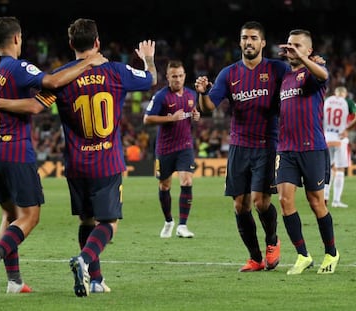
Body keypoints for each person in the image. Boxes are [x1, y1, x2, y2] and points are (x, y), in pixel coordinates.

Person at [0, 18, 157, 297]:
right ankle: (84, 261)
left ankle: (96, 280)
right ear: (97, 43)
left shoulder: (61, 78)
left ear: (72, 44)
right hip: (107, 161)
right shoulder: (117, 72)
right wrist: (148, 60)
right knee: (109, 223)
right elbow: (151, 79)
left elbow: (34, 107)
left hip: (76, 164)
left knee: (86, 221)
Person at [0, 16, 105, 295]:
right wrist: (88, 62)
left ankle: (14, 282)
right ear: (16, 38)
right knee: (30, 216)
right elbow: (50, 81)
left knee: (10, 213)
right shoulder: (18, 67)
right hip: (14, 151)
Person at [194, 21, 286, 271]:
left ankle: (272, 242)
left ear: (262, 43)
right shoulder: (229, 74)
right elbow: (208, 108)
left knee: (260, 201)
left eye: (254, 38)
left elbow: (300, 81)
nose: (249, 42)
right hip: (238, 145)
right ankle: (255, 258)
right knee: (240, 205)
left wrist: (312, 63)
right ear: (240, 42)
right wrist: (202, 93)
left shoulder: (278, 69)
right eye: (245, 38)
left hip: (267, 144)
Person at [276, 29, 340, 274]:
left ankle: (332, 253)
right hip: (286, 149)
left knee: (316, 203)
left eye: (298, 45)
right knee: (284, 200)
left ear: (309, 50)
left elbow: (323, 75)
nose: (291, 49)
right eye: (289, 45)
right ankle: (303, 255)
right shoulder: (284, 77)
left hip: (312, 147)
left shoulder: (313, 71)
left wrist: (305, 60)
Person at [144, 60, 200, 238]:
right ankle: (169, 221)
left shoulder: (192, 95)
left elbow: (193, 113)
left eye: (181, 76)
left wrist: (196, 115)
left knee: (186, 181)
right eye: (174, 76)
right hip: (165, 148)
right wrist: (170, 119)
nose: (178, 79)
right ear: (168, 77)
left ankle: (183, 225)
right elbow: (147, 119)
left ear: (185, 76)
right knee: (164, 185)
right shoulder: (161, 96)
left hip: (185, 145)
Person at [323, 86, 356, 208]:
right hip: (340, 138)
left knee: (328, 169)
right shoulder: (347, 102)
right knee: (339, 170)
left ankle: (325, 196)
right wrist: (347, 129)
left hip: (326, 137)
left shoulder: (327, 100)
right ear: (344, 94)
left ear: (335, 93)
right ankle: (336, 201)